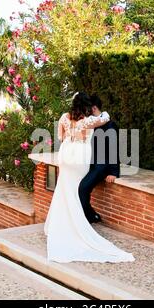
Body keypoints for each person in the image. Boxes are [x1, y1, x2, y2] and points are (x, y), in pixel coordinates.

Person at [43, 92, 134, 263]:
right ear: (88, 107)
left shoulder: (64, 117)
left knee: (65, 189)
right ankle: (78, 224)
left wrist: (113, 171)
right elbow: (105, 117)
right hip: (79, 159)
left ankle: (61, 224)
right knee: (76, 189)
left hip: (65, 156)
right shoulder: (88, 121)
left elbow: (61, 137)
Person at [79, 94, 120, 224]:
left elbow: (114, 149)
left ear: (94, 108)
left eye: (87, 108)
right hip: (90, 164)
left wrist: (113, 172)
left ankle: (91, 217)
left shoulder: (110, 126)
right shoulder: (92, 124)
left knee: (83, 188)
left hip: (101, 166)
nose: (85, 111)